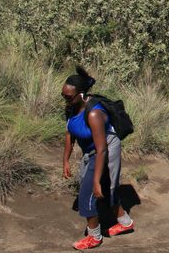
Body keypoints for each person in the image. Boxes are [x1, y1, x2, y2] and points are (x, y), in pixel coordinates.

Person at [62, 66, 134, 250]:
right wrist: (66, 160)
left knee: (89, 192)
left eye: (69, 97)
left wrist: (95, 182)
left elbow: (102, 150)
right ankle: (125, 222)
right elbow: (70, 134)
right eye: (64, 96)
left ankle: (94, 237)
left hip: (105, 150)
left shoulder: (94, 114)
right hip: (92, 151)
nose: (66, 100)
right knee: (102, 191)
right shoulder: (72, 107)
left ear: (81, 94)